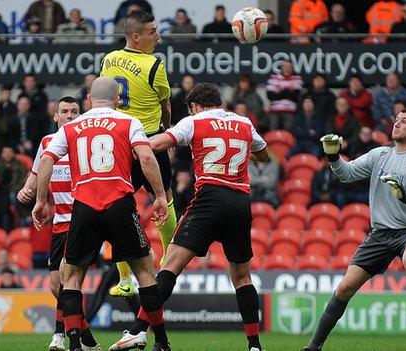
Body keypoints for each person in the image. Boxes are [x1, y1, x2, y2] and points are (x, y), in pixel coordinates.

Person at [112, 83, 268, 351]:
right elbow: (263, 155)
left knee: (170, 266)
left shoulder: (194, 121)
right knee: (243, 278)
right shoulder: (243, 122)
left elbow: (159, 143)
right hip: (241, 202)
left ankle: (138, 330)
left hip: (209, 200)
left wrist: (130, 145)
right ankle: (254, 345)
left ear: (194, 106)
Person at [32, 77, 170, 351]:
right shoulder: (128, 122)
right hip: (120, 203)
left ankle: (72, 344)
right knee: (144, 271)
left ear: (89, 101)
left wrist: (40, 200)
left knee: (71, 276)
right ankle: (162, 342)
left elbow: (46, 158)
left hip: (83, 206)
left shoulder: (71, 128)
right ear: (118, 100)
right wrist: (161, 196)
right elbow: (145, 156)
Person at [303, 109, 406, 351]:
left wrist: (405, 196)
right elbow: (346, 175)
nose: (397, 124)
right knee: (344, 288)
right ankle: (314, 347)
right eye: (397, 120)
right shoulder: (379, 154)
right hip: (380, 233)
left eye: (404, 121)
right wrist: (333, 156)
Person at [100, 10, 178, 299]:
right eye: (152, 31)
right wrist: (166, 131)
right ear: (135, 36)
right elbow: (166, 104)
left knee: (116, 205)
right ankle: (171, 259)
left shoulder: (108, 59)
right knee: (165, 197)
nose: (157, 35)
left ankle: (124, 279)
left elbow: (104, 97)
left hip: (119, 141)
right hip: (147, 140)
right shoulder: (155, 65)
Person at [17, 96, 99, 351]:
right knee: (57, 286)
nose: (70, 116)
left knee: (67, 277)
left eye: (75, 111)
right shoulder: (47, 143)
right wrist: (26, 190)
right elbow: (37, 173)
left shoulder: (84, 140)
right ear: (56, 116)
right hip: (59, 222)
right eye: (64, 111)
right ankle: (85, 335)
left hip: (81, 220)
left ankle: (60, 334)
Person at [266, 60, 303, 131]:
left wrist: (279, 92)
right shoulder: (273, 78)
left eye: (289, 67)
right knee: (273, 131)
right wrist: (287, 92)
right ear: (281, 68)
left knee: (288, 131)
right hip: (275, 110)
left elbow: (295, 96)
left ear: (292, 68)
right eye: (285, 66)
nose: (287, 68)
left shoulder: (297, 79)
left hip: (290, 111)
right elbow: (270, 96)